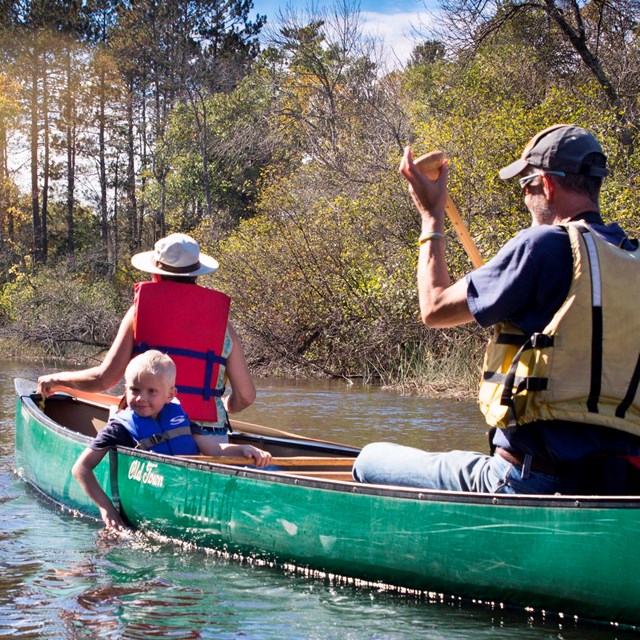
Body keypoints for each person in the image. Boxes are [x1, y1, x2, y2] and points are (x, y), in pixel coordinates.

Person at [353, 124, 640, 495]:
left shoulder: (543, 246)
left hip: (533, 481)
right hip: (623, 487)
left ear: (547, 185)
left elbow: (435, 307)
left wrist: (431, 217)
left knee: (370, 459)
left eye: (526, 186)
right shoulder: (632, 259)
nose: (524, 198)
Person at [38, 233, 258, 456]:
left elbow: (104, 379)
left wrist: (55, 379)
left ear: (155, 273)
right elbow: (246, 396)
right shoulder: (223, 325)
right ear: (196, 275)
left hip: (146, 432)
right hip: (210, 440)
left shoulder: (139, 313)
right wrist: (220, 405)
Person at [73, 350, 272, 530]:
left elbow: (215, 449)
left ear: (171, 395)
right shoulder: (118, 428)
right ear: (126, 390)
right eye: (135, 390)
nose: (141, 398)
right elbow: (81, 468)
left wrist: (244, 449)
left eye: (151, 391)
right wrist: (106, 508)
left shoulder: (179, 419)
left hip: (185, 497)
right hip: (150, 500)